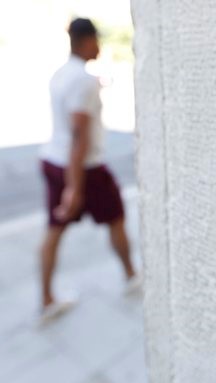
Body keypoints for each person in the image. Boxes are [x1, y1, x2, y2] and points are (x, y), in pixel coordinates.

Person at [39, 18, 140, 323]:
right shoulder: (82, 80)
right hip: (84, 168)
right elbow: (79, 136)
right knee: (116, 219)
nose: (99, 47)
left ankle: (46, 299)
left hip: (53, 161)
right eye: (96, 41)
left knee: (54, 231)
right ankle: (131, 275)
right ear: (85, 41)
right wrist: (75, 187)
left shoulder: (61, 74)